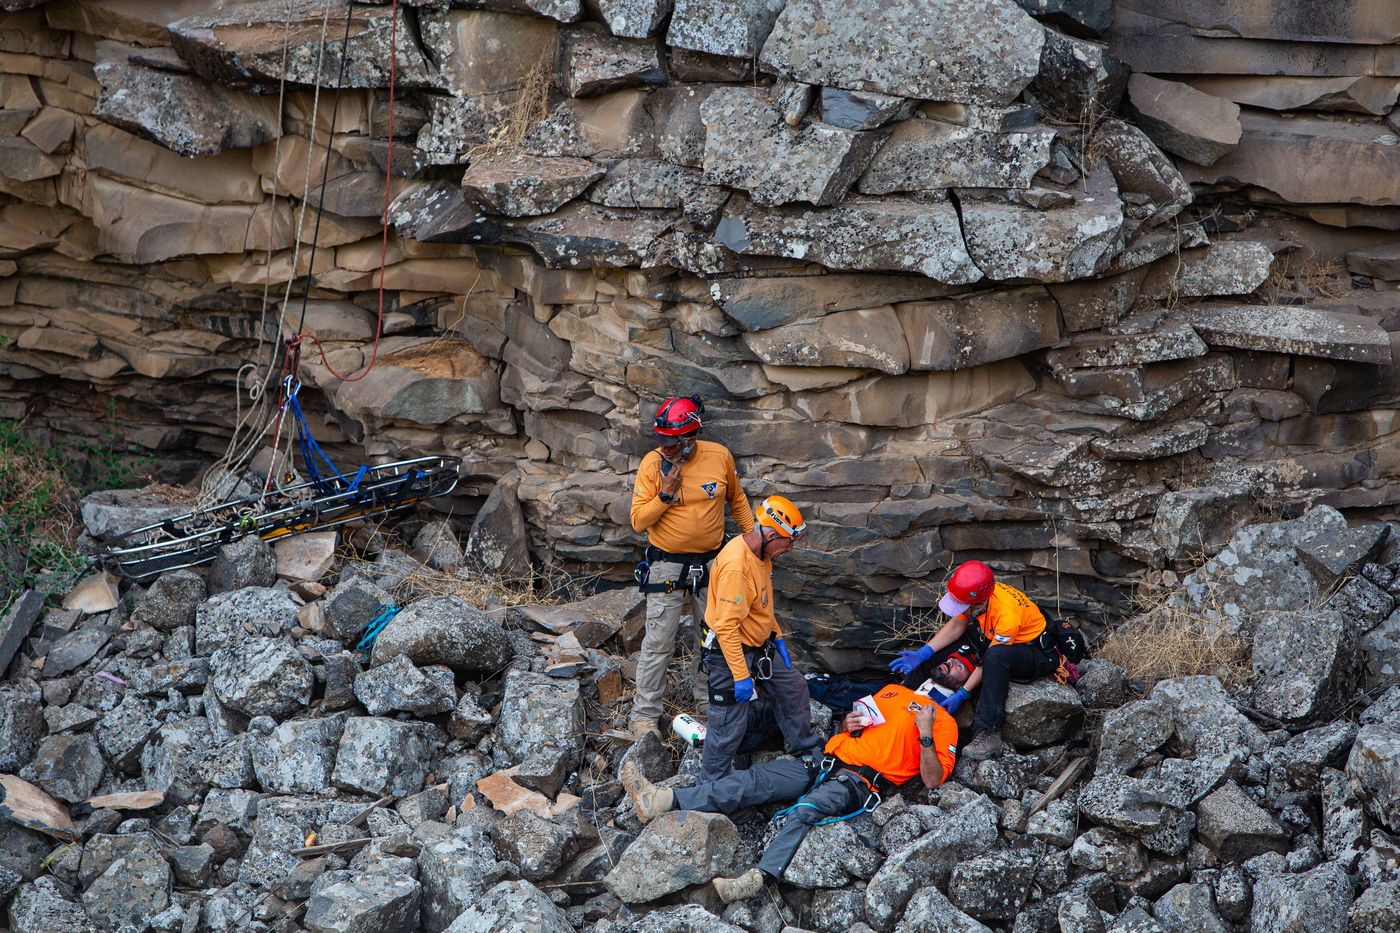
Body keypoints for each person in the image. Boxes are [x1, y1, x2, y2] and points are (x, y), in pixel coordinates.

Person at [621, 675, 963, 902]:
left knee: (805, 811)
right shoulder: (893, 691)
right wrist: (847, 724)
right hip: (823, 760)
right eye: (948, 659)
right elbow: (853, 724)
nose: (950, 664)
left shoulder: (944, 723)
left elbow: (933, 779)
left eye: (960, 665)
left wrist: (925, 733)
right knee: (753, 780)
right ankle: (662, 799)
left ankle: (759, 877)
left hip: (859, 780)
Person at [628, 396, 752, 738]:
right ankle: (644, 716)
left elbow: (737, 499)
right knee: (659, 642)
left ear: (690, 437)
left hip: (712, 563)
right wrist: (665, 495)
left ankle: (706, 704)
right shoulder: (653, 465)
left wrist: (751, 546)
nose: (665, 448)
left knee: (710, 639)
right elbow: (638, 521)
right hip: (666, 564)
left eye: (672, 442)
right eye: (662, 441)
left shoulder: (719, 456)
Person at [698, 494, 819, 782]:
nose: (790, 548)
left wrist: (777, 636)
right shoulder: (736, 567)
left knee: (793, 687)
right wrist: (741, 676)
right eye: (788, 542)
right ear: (771, 535)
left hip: (759, 647)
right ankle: (709, 786)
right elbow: (726, 627)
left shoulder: (762, 555)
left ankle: (806, 751)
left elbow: (762, 604)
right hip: (728, 653)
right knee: (728, 726)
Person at [889, 560, 1057, 760]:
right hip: (990, 638)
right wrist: (924, 653)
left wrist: (963, 693)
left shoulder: (1007, 615)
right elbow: (956, 626)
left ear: (979, 603)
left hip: (1033, 653)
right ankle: (901, 702)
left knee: (996, 657)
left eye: (962, 606)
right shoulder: (975, 595)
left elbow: (988, 661)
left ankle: (990, 733)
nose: (959, 609)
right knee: (933, 657)